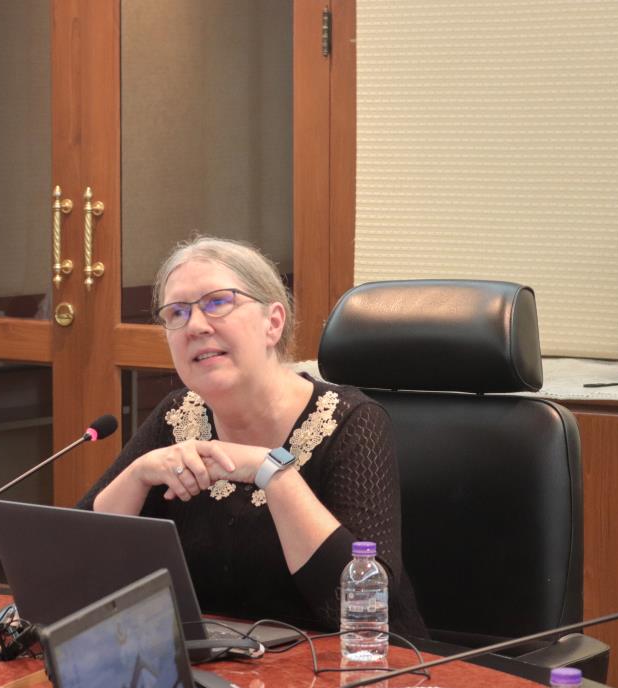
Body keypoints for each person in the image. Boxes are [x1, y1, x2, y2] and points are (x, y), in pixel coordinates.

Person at [78, 236, 426, 637]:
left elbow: (360, 608)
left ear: (272, 323)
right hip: (218, 662)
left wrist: (271, 471)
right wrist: (139, 473)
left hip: (356, 663)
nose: (195, 326)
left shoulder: (352, 422)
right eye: (177, 312)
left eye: (217, 302)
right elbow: (76, 565)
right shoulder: (177, 417)